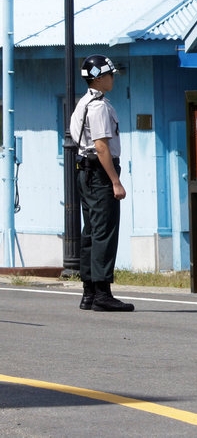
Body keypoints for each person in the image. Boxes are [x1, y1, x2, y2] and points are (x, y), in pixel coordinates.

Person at [71, 54, 133, 312]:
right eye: (109, 74)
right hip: (99, 173)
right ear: (98, 77)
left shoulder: (84, 103)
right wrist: (115, 181)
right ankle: (102, 292)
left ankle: (89, 292)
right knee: (104, 232)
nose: (112, 78)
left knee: (92, 232)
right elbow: (101, 146)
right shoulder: (98, 107)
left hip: (86, 171)